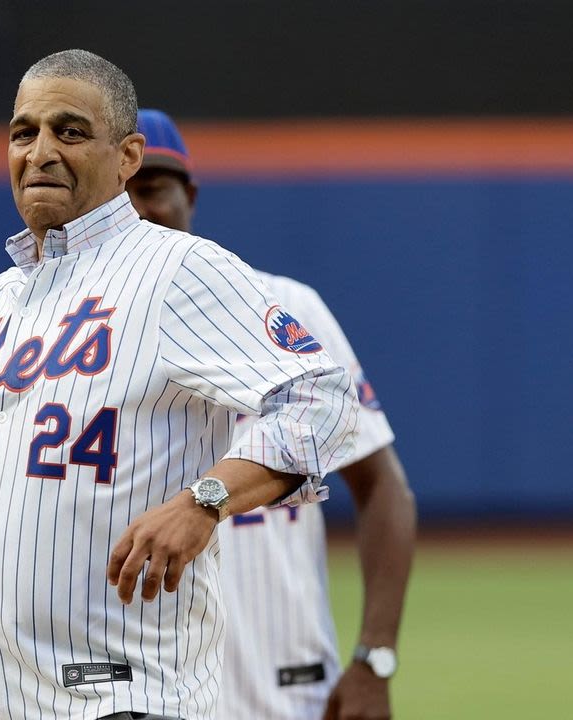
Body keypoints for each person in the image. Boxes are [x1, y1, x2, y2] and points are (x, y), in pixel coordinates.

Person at [0, 50, 360, 720]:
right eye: (23, 132)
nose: (40, 151)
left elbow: (321, 397)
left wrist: (205, 500)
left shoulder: (175, 270)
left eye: (69, 131)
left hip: (120, 695)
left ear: (127, 158)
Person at [127, 109, 417, 720]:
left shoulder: (287, 307)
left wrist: (374, 658)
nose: (139, 208)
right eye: (121, 191)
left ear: (190, 196)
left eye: (152, 187)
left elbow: (383, 487)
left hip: (289, 686)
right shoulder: (80, 336)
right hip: (144, 689)